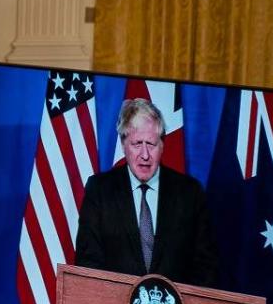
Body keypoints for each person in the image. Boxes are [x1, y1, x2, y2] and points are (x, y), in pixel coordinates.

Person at [74, 98, 218, 287]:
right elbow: (87, 264)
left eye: (151, 144)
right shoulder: (100, 190)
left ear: (162, 145)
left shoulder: (190, 193)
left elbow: (205, 268)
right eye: (137, 144)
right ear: (124, 144)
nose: (144, 155)